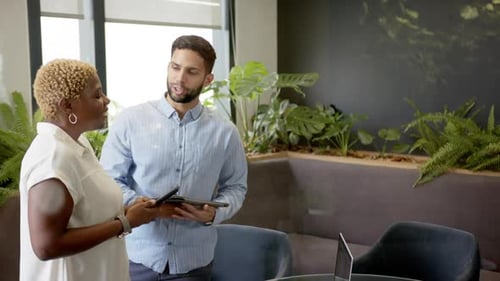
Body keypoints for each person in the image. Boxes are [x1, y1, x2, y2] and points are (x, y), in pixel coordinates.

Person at [100, 35, 248, 281]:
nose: (179, 78)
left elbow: (236, 187)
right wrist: (141, 205)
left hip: (194, 264)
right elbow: (109, 179)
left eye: (191, 72)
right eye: (175, 67)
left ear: (208, 79)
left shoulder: (225, 133)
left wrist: (213, 214)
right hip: (137, 259)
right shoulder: (130, 121)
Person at [19, 59, 161, 281]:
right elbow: (46, 245)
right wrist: (126, 222)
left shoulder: (78, 144)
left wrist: (127, 210)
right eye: (96, 95)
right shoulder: (53, 159)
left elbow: (85, 211)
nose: (106, 100)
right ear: (68, 106)